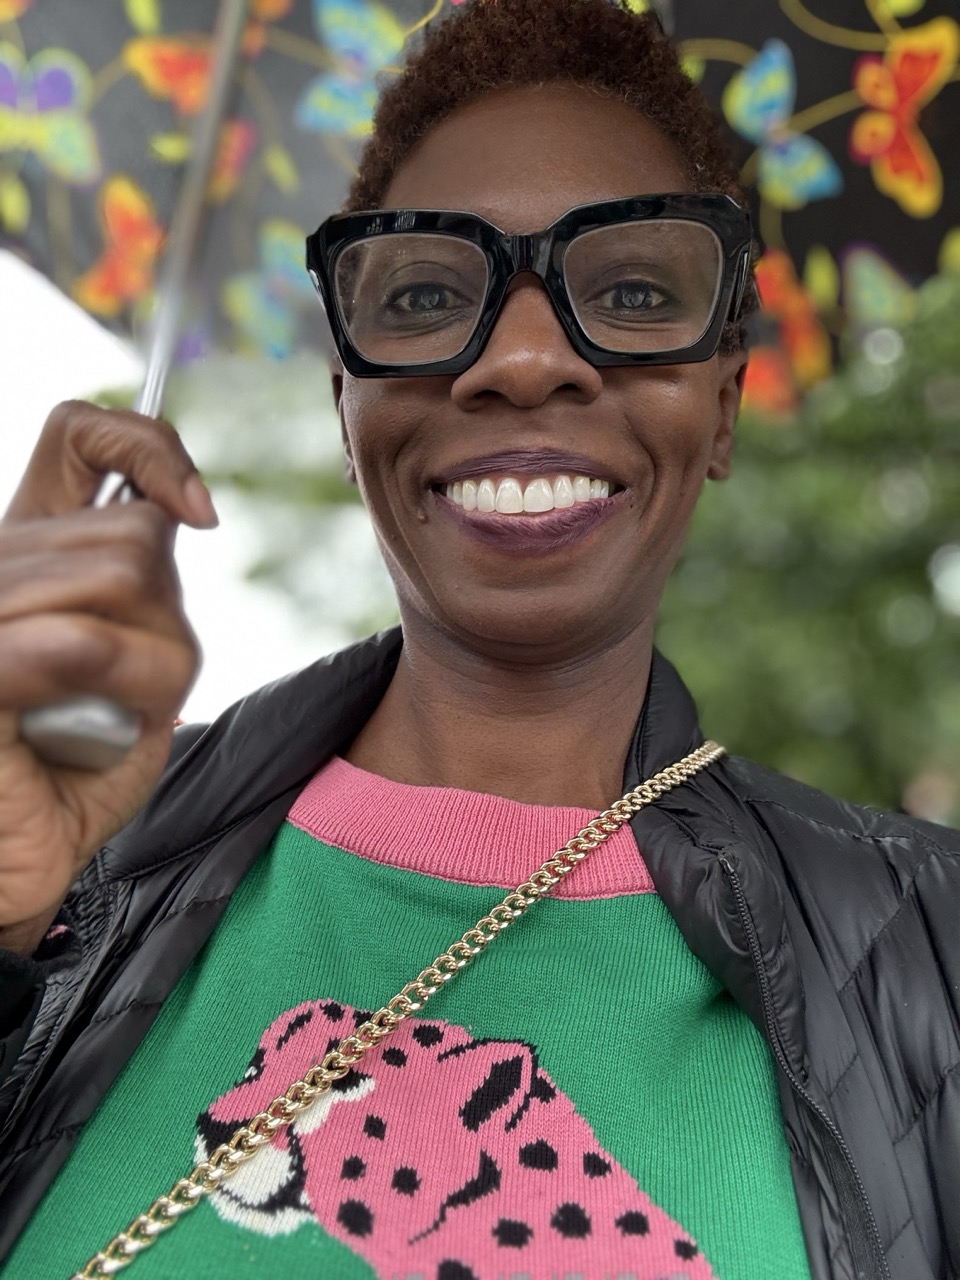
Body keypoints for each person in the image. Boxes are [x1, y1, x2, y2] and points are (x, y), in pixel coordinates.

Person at [0, 1, 957, 1277]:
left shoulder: (935, 953)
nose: (519, 359)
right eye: (426, 293)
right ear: (347, 405)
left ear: (718, 406)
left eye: (628, 289)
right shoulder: (67, 866)